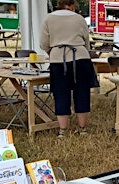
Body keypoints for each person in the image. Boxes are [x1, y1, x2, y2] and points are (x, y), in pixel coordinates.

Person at [40, 0, 97, 138]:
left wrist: (53, 51)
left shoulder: (48, 18)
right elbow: (86, 40)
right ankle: (82, 128)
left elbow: (44, 43)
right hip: (81, 58)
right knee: (82, 92)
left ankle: (63, 130)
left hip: (58, 58)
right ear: (72, 5)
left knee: (60, 93)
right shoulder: (79, 18)